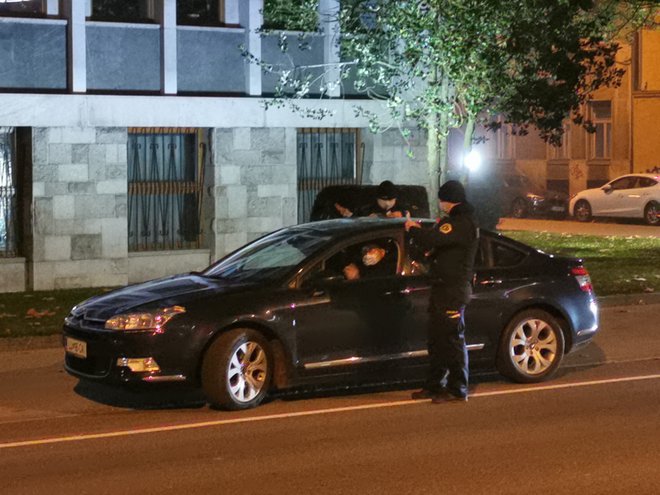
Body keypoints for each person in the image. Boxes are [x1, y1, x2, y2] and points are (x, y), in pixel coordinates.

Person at [404, 180, 478, 403]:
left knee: (453, 340)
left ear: (448, 200)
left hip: (453, 291)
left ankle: (457, 389)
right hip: (442, 288)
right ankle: (434, 385)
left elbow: (432, 238)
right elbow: (435, 244)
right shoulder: (454, 222)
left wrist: (413, 228)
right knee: (436, 341)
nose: (440, 204)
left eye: (442, 200)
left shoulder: (462, 222)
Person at [335, 180, 408, 218]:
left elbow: (413, 213)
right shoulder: (367, 208)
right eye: (384, 200)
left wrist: (403, 215)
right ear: (377, 199)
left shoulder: (401, 207)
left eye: (391, 200)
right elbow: (356, 219)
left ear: (395, 199)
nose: (387, 203)